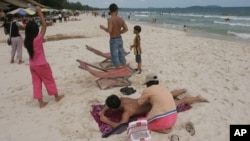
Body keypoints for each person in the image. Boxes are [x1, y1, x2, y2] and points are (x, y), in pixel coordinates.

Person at [99, 87, 208, 129]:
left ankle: (197, 98)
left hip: (154, 106)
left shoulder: (126, 113)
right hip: (148, 100)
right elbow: (110, 103)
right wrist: (102, 110)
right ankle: (183, 90)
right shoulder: (122, 98)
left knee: (180, 101)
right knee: (168, 94)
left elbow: (121, 125)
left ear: (114, 109)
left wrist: (106, 120)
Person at [24, 6, 64, 108]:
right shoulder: (37, 39)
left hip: (32, 65)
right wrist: (39, 11)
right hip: (41, 64)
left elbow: (37, 41)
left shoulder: (26, 41)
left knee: (36, 83)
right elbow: (44, 25)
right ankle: (56, 96)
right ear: (35, 30)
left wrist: (42, 40)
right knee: (49, 80)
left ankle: (41, 103)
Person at [100, 3, 128, 68]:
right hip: (120, 39)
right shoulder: (121, 19)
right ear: (116, 10)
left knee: (114, 55)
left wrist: (103, 28)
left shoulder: (110, 19)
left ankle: (118, 69)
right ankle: (124, 67)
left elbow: (109, 30)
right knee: (121, 54)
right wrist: (119, 32)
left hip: (113, 40)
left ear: (110, 10)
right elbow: (126, 29)